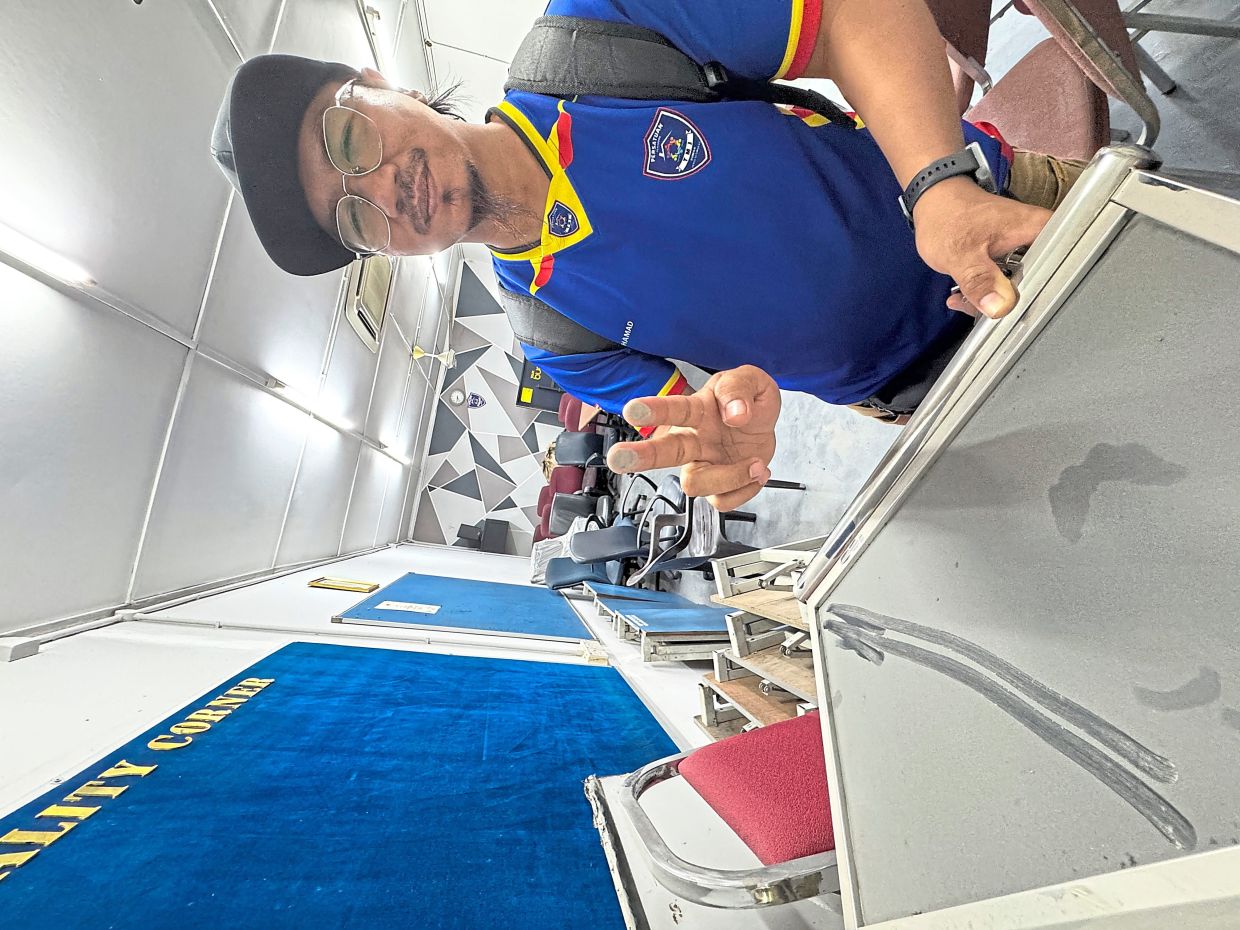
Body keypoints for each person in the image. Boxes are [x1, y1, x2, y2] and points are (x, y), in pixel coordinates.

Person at [211, 0, 1085, 512]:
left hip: (1010, 216)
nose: (384, 191)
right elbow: (702, 422)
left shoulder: (599, 35)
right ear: (389, 250)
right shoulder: (555, 334)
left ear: (387, 87)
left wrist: (939, 190)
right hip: (924, 397)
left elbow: (855, 15)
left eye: (349, 137)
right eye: (354, 217)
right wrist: (728, 446)